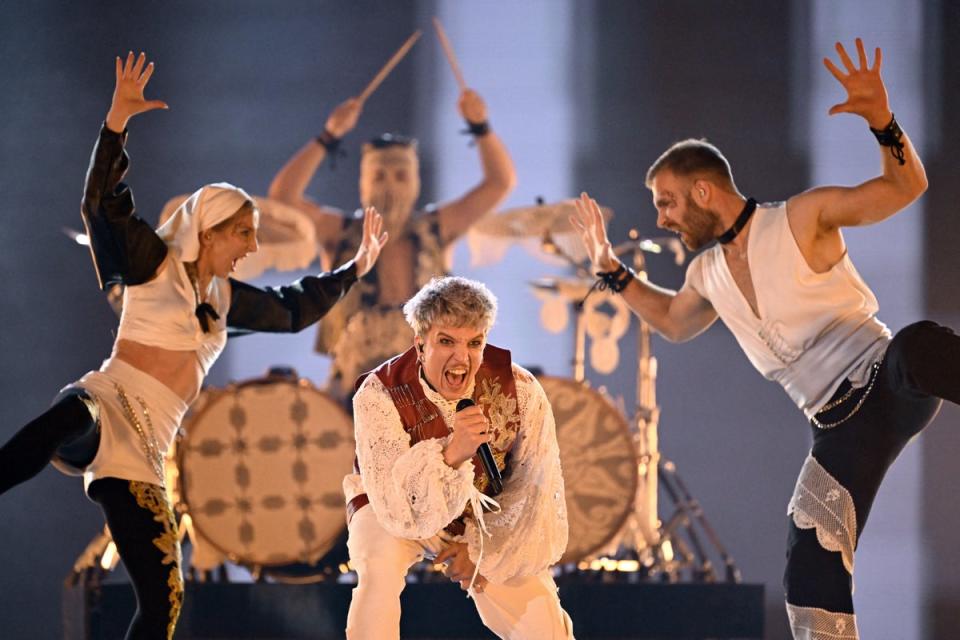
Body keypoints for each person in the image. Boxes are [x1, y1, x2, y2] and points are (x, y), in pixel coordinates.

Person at [0, 52, 387, 640]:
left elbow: (292, 309)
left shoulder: (227, 300)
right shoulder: (153, 265)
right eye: (243, 235)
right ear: (208, 231)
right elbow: (102, 206)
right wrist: (115, 123)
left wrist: (354, 270)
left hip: (146, 455)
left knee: (165, 603)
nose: (252, 249)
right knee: (67, 417)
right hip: (108, 403)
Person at [572, 38, 948, 639]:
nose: (663, 218)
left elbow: (905, 189)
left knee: (920, 344)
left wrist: (881, 120)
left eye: (666, 203)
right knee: (808, 564)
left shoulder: (802, 215)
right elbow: (672, 322)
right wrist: (612, 272)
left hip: (885, 378)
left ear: (702, 191)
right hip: (836, 425)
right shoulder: (706, 273)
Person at [342, 276, 573, 639]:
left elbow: (533, 490)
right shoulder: (378, 392)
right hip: (391, 504)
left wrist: (484, 550)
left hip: (484, 517)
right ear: (420, 344)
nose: (461, 357)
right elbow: (392, 501)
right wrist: (451, 454)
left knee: (544, 626)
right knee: (379, 573)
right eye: (446, 341)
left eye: (474, 343)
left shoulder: (521, 390)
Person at [267, 89, 516, 397]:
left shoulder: (437, 229)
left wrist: (481, 127)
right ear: (363, 182)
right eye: (379, 175)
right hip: (357, 376)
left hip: (428, 376)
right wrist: (328, 135)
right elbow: (283, 198)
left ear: (415, 183)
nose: (390, 186)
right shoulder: (340, 232)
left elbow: (499, 183)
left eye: (400, 175)